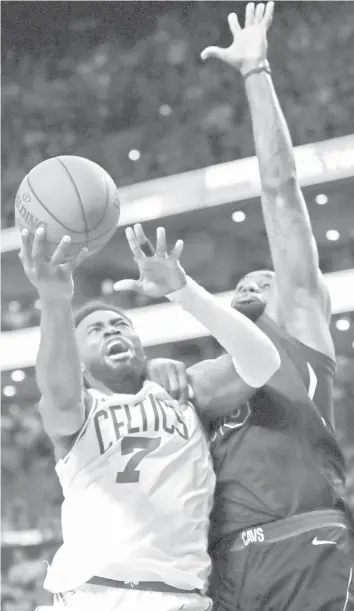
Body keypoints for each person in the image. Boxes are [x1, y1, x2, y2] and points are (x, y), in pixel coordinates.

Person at [19, 223, 280, 611]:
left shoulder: (186, 391)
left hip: (175, 597)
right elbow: (57, 388)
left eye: (120, 325)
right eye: (95, 330)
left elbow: (263, 361)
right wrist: (55, 299)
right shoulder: (79, 412)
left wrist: (183, 290)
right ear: (80, 362)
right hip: (89, 596)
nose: (111, 330)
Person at [193, 3, 353, 610]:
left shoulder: (302, 327)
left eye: (269, 278)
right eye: (245, 281)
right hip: (224, 566)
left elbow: (281, 192)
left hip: (303, 543)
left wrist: (255, 75)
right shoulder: (208, 385)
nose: (255, 283)